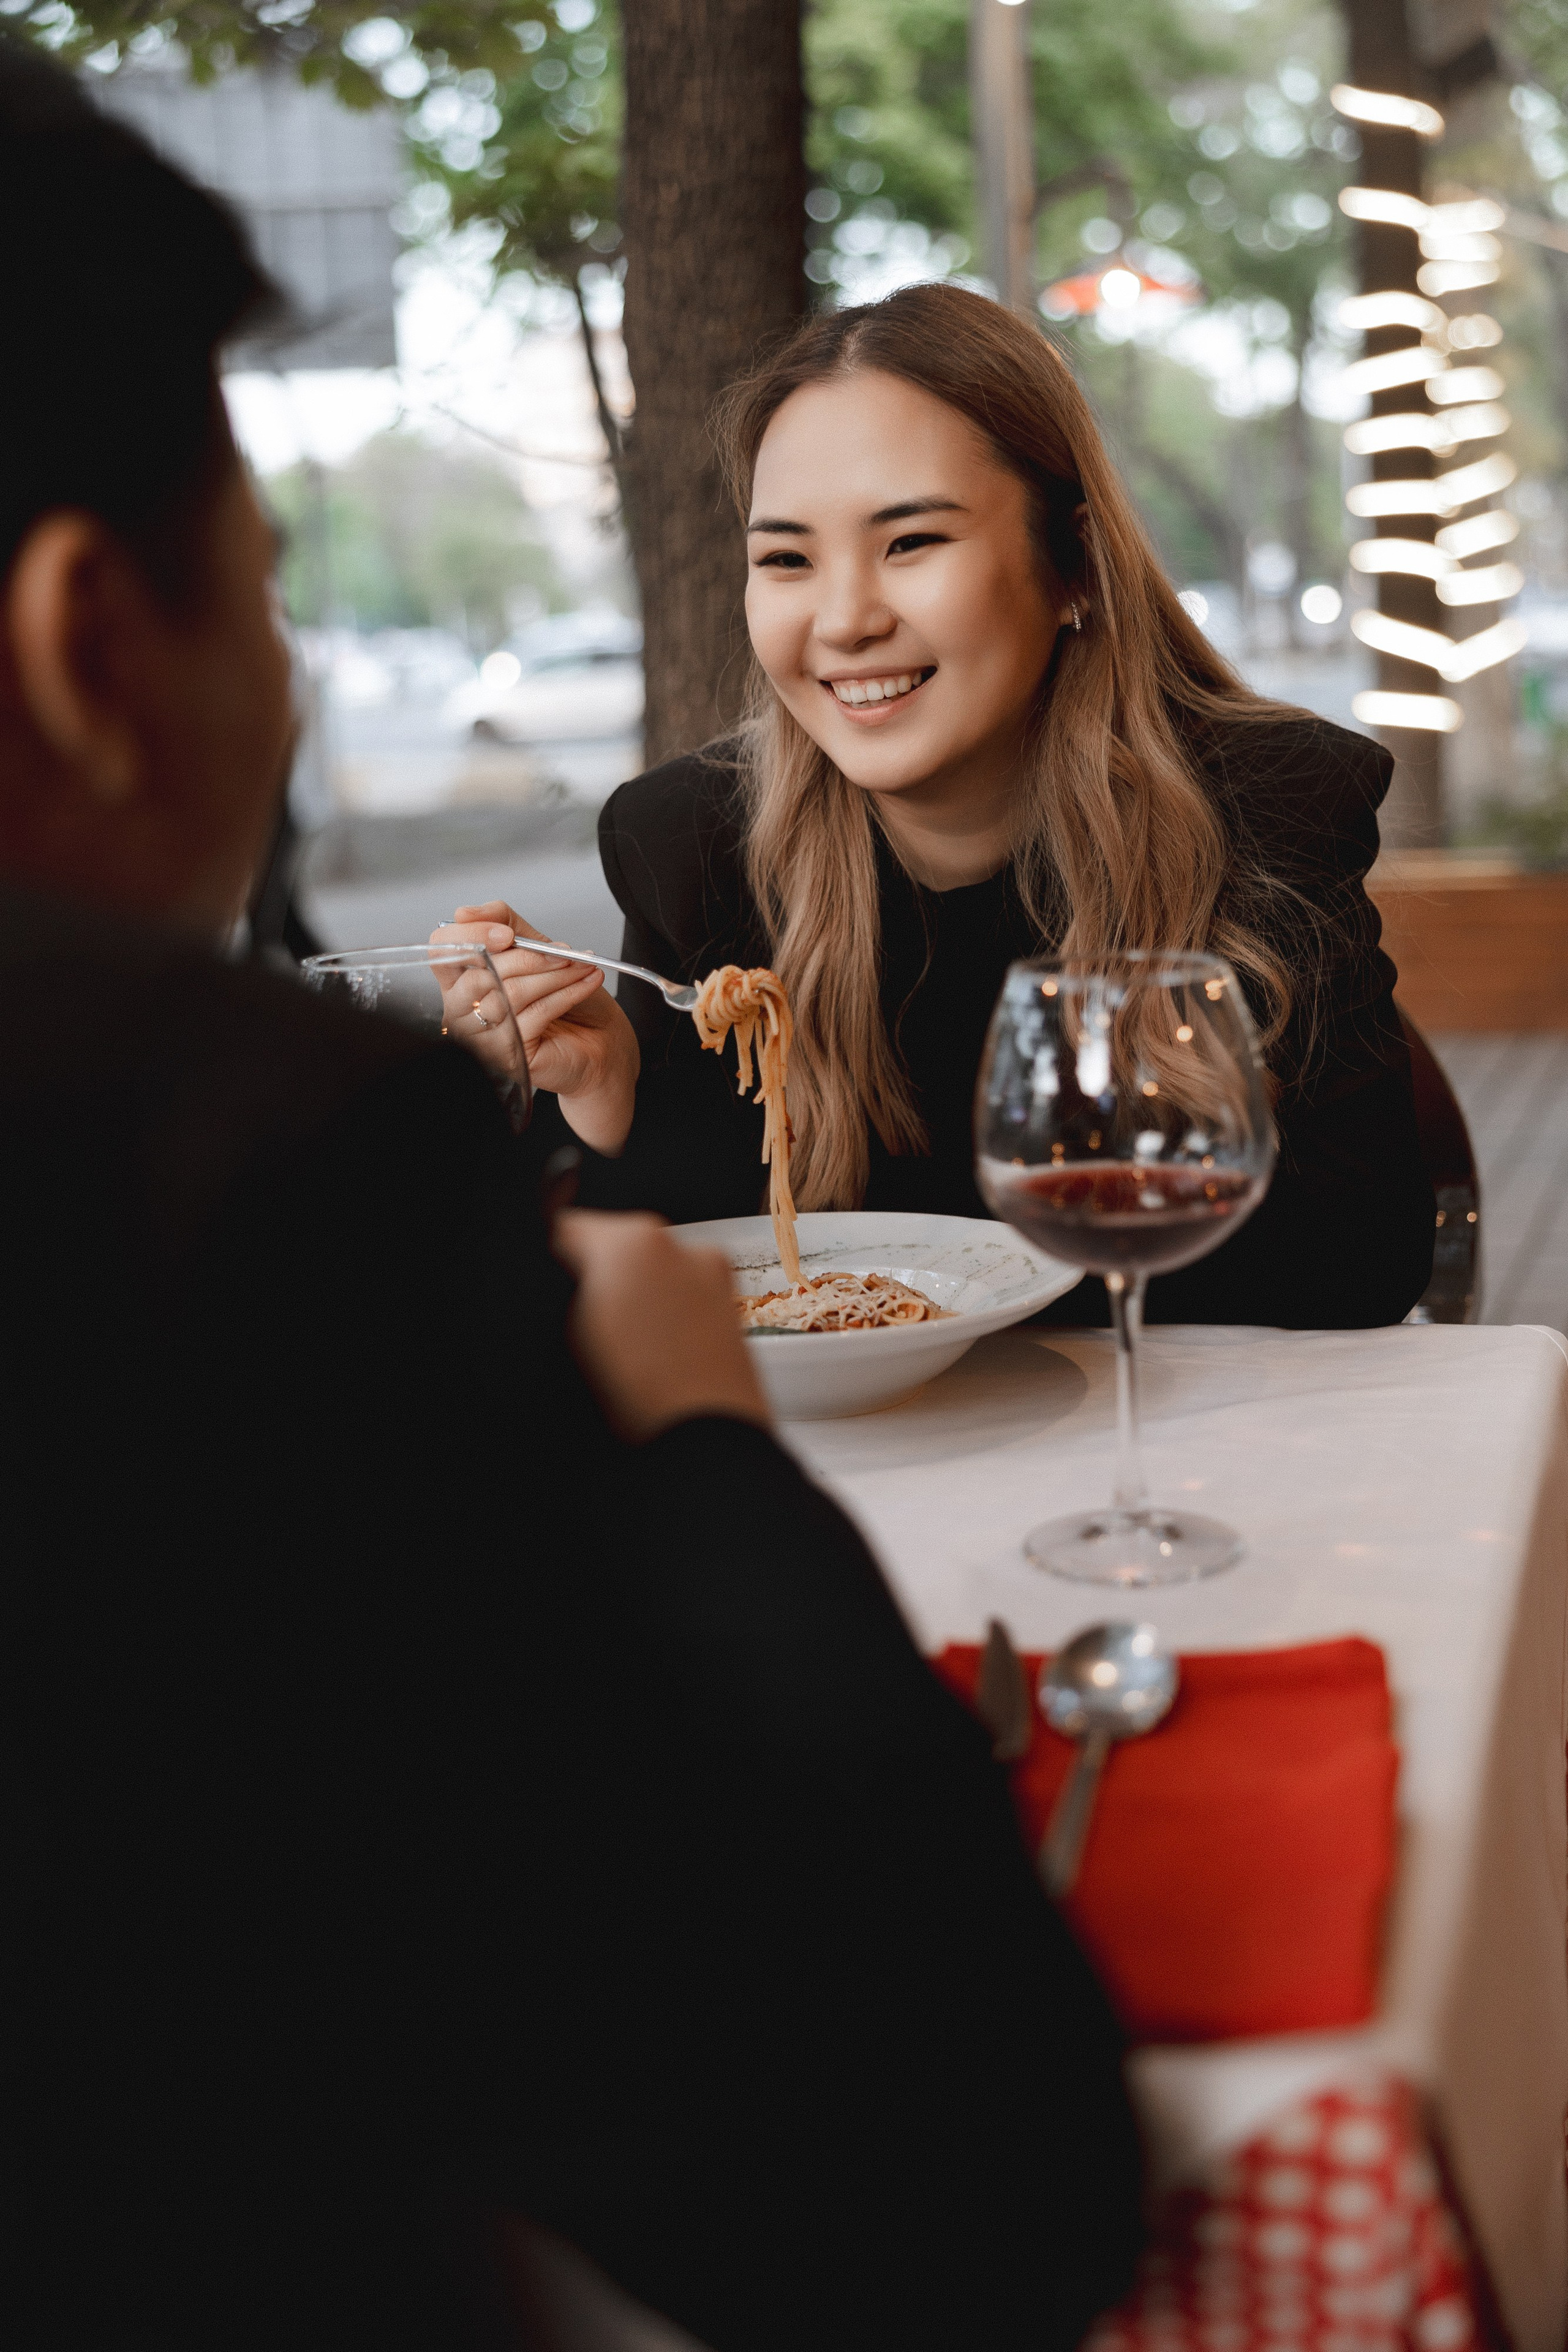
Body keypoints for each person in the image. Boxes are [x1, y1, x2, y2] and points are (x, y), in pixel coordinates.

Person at [0, 40, 1143, 2352]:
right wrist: (696, 1452)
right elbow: (962, 2181)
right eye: (275, 581)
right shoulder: (263, 1180)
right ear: (91, 649)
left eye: (915, 538)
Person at [458, 285, 1434, 1328]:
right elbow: (695, 1268)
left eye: (912, 542)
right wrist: (603, 1097)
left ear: (1076, 565)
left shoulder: (1267, 807)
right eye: (786, 559)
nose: (843, 621)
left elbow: (1363, 1257)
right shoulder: (694, 844)